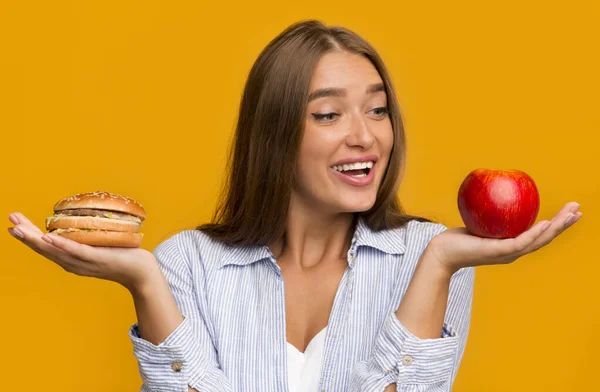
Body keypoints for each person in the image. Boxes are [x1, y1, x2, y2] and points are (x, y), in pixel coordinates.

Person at [8, 20, 582, 392]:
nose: (365, 137)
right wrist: (146, 284)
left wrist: (437, 266)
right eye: (329, 114)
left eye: (377, 110)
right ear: (275, 132)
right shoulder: (187, 264)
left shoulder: (428, 257)